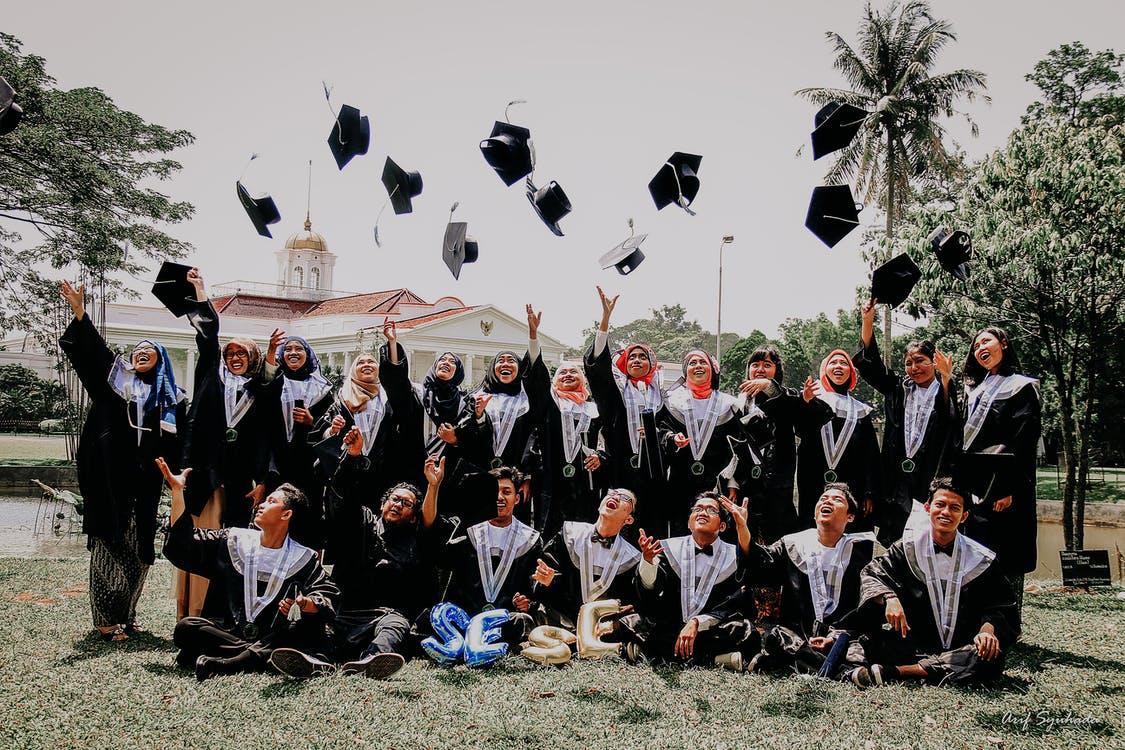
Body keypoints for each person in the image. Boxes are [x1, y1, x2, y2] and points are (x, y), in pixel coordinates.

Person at [58, 281, 188, 642]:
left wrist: (179, 476)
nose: (141, 354)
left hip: (146, 483)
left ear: (161, 359)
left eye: (149, 351)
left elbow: (180, 444)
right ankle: (105, 621)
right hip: (111, 480)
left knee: (141, 550)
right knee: (108, 546)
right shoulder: (116, 385)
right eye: (137, 351)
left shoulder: (170, 399)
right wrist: (80, 312)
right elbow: (95, 356)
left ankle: (127, 615)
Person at [278, 431, 446, 679]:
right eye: (395, 499)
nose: (398, 504)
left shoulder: (415, 540)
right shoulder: (363, 522)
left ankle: (370, 662)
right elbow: (344, 500)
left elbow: (430, 525)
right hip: (344, 612)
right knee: (317, 626)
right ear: (382, 503)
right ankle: (316, 662)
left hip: (385, 616)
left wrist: (433, 485)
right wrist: (352, 456)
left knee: (395, 628)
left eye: (407, 504)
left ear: (413, 516)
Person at [158, 458, 339, 681]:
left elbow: (327, 595)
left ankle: (232, 662)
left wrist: (306, 603)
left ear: (286, 514)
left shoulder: (302, 558)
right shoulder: (233, 540)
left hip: (273, 634)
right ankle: (259, 657)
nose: (261, 504)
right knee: (187, 627)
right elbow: (184, 546)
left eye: (271, 501)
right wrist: (178, 493)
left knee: (305, 632)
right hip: (230, 632)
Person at [175, 270, 281, 617]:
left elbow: (266, 435)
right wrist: (200, 292)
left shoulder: (257, 391)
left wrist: (264, 480)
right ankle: (193, 610)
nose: (235, 358)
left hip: (240, 482)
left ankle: (228, 612)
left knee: (235, 545)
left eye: (242, 354)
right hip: (207, 475)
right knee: (202, 541)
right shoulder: (210, 377)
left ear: (251, 359)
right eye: (230, 354)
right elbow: (207, 336)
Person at [855, 477, 1017, 686]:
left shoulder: (981, 559)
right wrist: (889, 597)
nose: (946, 513)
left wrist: (987, 630)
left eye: (955, 508)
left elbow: (1001, 605)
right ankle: (931, 667)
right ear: (927, 507)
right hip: (912, 641)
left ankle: (900, 672)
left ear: (964, 516)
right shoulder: (906, 549)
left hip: (962, 645)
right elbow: (872, 573)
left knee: (988, 657)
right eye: (940, 505)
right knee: (866, 643)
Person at [737, 483, 876, 682]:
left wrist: (834, 638)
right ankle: (841, 671)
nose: (827, 501)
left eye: (837, 499)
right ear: (814, 513)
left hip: (841, 634)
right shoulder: (793, 544)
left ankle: (809, 661)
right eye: (823, 499)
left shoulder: (860, 552)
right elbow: (760, 563)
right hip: (798, 633)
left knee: (868, 643)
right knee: (776, 637)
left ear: (850, 516)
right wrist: (743, 528)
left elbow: (865, 609)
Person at [854, 299, 959, 546]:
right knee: (896, 540)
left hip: (930, 474)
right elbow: (872, 367)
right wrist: (868, 321)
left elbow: (952, 424)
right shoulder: (899, 389)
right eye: (908, 363)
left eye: (920, 361)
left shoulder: (946, 390)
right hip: (896, 478)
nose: (914, 368)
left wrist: (946, 378)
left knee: (927, 539)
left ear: (934, 361)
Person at [958, 327, 1041, 620]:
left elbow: (1023, 441)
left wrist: (1009, 489)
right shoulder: (975, 391)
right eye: (976, 344)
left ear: (1003, 344)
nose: (980, 348)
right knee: (976, 552)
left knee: (1006, 554)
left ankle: (1007, 624)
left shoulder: (1021, 388)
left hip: (1006, 486)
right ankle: (979, 622)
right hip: (975, 486)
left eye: (987, 341)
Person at [622, 492, 757, 670]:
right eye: (698, 509)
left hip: (710, 629)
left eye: (711, 510)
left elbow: (735, 604)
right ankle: (716, 660)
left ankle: (653, 652)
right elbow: (649, 593)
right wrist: (648, 562)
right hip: (671, 627)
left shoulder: (735, 557)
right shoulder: (667, 549)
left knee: (744, 630)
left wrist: (697, 623)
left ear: (722, 526)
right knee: (635, 622)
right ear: (689, 522)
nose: (703, 512)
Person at [312, 323, 425, 524]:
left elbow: (398, 381)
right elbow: (321, 434)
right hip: (349, 472)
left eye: (371, 362)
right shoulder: (342, 400)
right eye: (360, 362)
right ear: (353, 371)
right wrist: (332, 430)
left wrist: (391, 342)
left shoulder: (388, 398)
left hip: (384, 473)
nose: (366, 365)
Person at [425, 465, 541, 648]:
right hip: (465, 616)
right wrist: (433, 486)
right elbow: (431, 531)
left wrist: (526, 601)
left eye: (506, 492)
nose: (499, 497)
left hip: (503, 619)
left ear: (517, 498)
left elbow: (531, 588)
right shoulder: (467, 529)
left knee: (522, 620)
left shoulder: (529, 539)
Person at [583, 287, 666, 534]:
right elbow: (598, 371)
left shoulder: (664, 396)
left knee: (652, 526)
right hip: (621, 469)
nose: (637, 360)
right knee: (622, 528)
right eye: (632, 357)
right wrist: (605, 322)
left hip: (654, 473)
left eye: (642, 357)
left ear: (651, 363)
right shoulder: (616, 391)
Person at [523, 304, 607, 535]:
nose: (568, 375)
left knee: (583, 535)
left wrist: (601, 457)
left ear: (582, 380)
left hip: (585, 483)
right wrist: (533, 336)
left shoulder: (594, 409)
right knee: (549, 534)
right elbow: (536, 379)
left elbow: (607, 443)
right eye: (563, 373)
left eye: (574, 372)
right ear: (555, 381)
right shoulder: (550, 405)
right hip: (551, 478)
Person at [728, 345, 813, 544]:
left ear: (777, 370)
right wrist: (732, 482)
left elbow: (791, 406)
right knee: (746, 538)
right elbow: (734, 446)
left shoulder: (786, 397)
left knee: (778, 539)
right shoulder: (738, 404)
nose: (760, 369)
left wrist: (769, 385)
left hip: (777, 484)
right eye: (755, 365)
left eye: (767, 365)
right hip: (747, 483)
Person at [794, 349, 882, 533]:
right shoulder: (814, 401)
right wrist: (806, 404)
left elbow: (870, 455)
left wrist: (869, 492)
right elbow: (801, 431)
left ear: (851, 371)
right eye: (833, 363)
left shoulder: (860, 411)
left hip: (852, 486)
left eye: (844, 363)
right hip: (814, 482)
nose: (838, 366)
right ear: (825, 370)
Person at [532, 488, 642, 631]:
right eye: (612, 493)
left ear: (629, 519)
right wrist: (547, 581)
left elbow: (629, 602)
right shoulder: (570, 535)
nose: (615, 497)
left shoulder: (631, 558)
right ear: (599, 505)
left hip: (603, 628)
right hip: (563, 621)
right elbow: (546, 582)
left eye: (624, 498)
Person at [660, 348, 743, 535]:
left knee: (717, 533)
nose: (698, 366)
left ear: (712, 369)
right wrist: (672, 438)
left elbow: (739, 447)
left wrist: (733, 481)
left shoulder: (729, 405)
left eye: (702, 362)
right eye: (692, 363)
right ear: (685, 371)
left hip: (717, 484)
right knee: (680, 534)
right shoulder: (671, 402)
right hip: (680, 484)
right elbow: (661, 432)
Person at [412, 344, 493, 526]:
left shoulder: (465, 404)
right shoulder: (418, 394)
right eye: (442, 359)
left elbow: (478, 443)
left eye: (452, 362)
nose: (446, 362)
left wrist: (456, 440)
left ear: (458, 373)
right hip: (413, 468)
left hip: (448, 476)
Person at [263, 334, 333, 545]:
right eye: (288, 349)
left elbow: (331, 426)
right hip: (277, 460)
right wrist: (271, 350)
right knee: (276, 512)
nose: (293, 353)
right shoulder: (275, 381)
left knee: (306, 515)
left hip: (308, 465)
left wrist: (313, 421)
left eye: (299, 349)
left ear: (308, 354)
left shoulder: (322, 388)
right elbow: (262, 401)